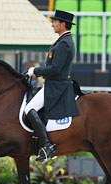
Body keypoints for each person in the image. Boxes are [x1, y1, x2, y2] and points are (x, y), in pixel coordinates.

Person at [24, 10, 79, 162]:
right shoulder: (63, 41)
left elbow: (55, 69)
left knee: (29, 109)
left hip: (56, 86)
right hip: (54, 83)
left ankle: (47, 145)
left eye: (55, 22)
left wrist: (35, 70)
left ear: (63, 24)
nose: (52, 24)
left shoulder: (64, 44)